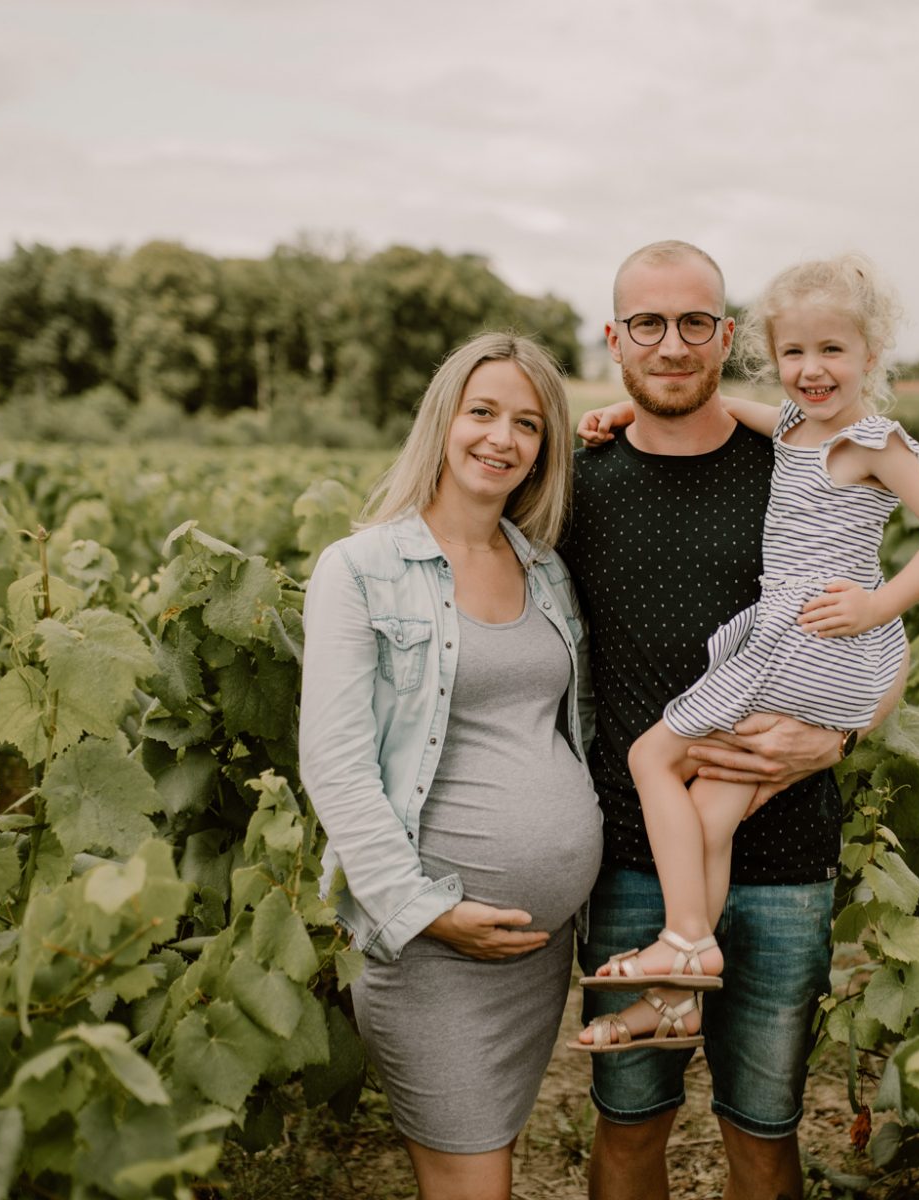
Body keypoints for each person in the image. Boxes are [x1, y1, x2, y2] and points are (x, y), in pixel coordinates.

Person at [555, 242, 919, 1200]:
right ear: (615, 338)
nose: (670, 345)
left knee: (763, 1136)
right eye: (647, 323)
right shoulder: (576, 483)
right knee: (631, 1129)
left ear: (726, 336)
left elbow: (894, 637)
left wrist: (839, 738)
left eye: (692, 323)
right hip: (634, 858)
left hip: (787, 858)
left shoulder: (797, 463)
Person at [298, 332, 600, 1200]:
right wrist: (425, 910)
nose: (501, 439)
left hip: (534, 956)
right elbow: (336, 765)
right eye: (483, 412)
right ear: (444, 418)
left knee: (486, 1158)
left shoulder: (544, 569)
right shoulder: (359, 570)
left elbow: (554, 732)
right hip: (428, 948)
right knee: (471, 1180)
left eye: (528, 425)